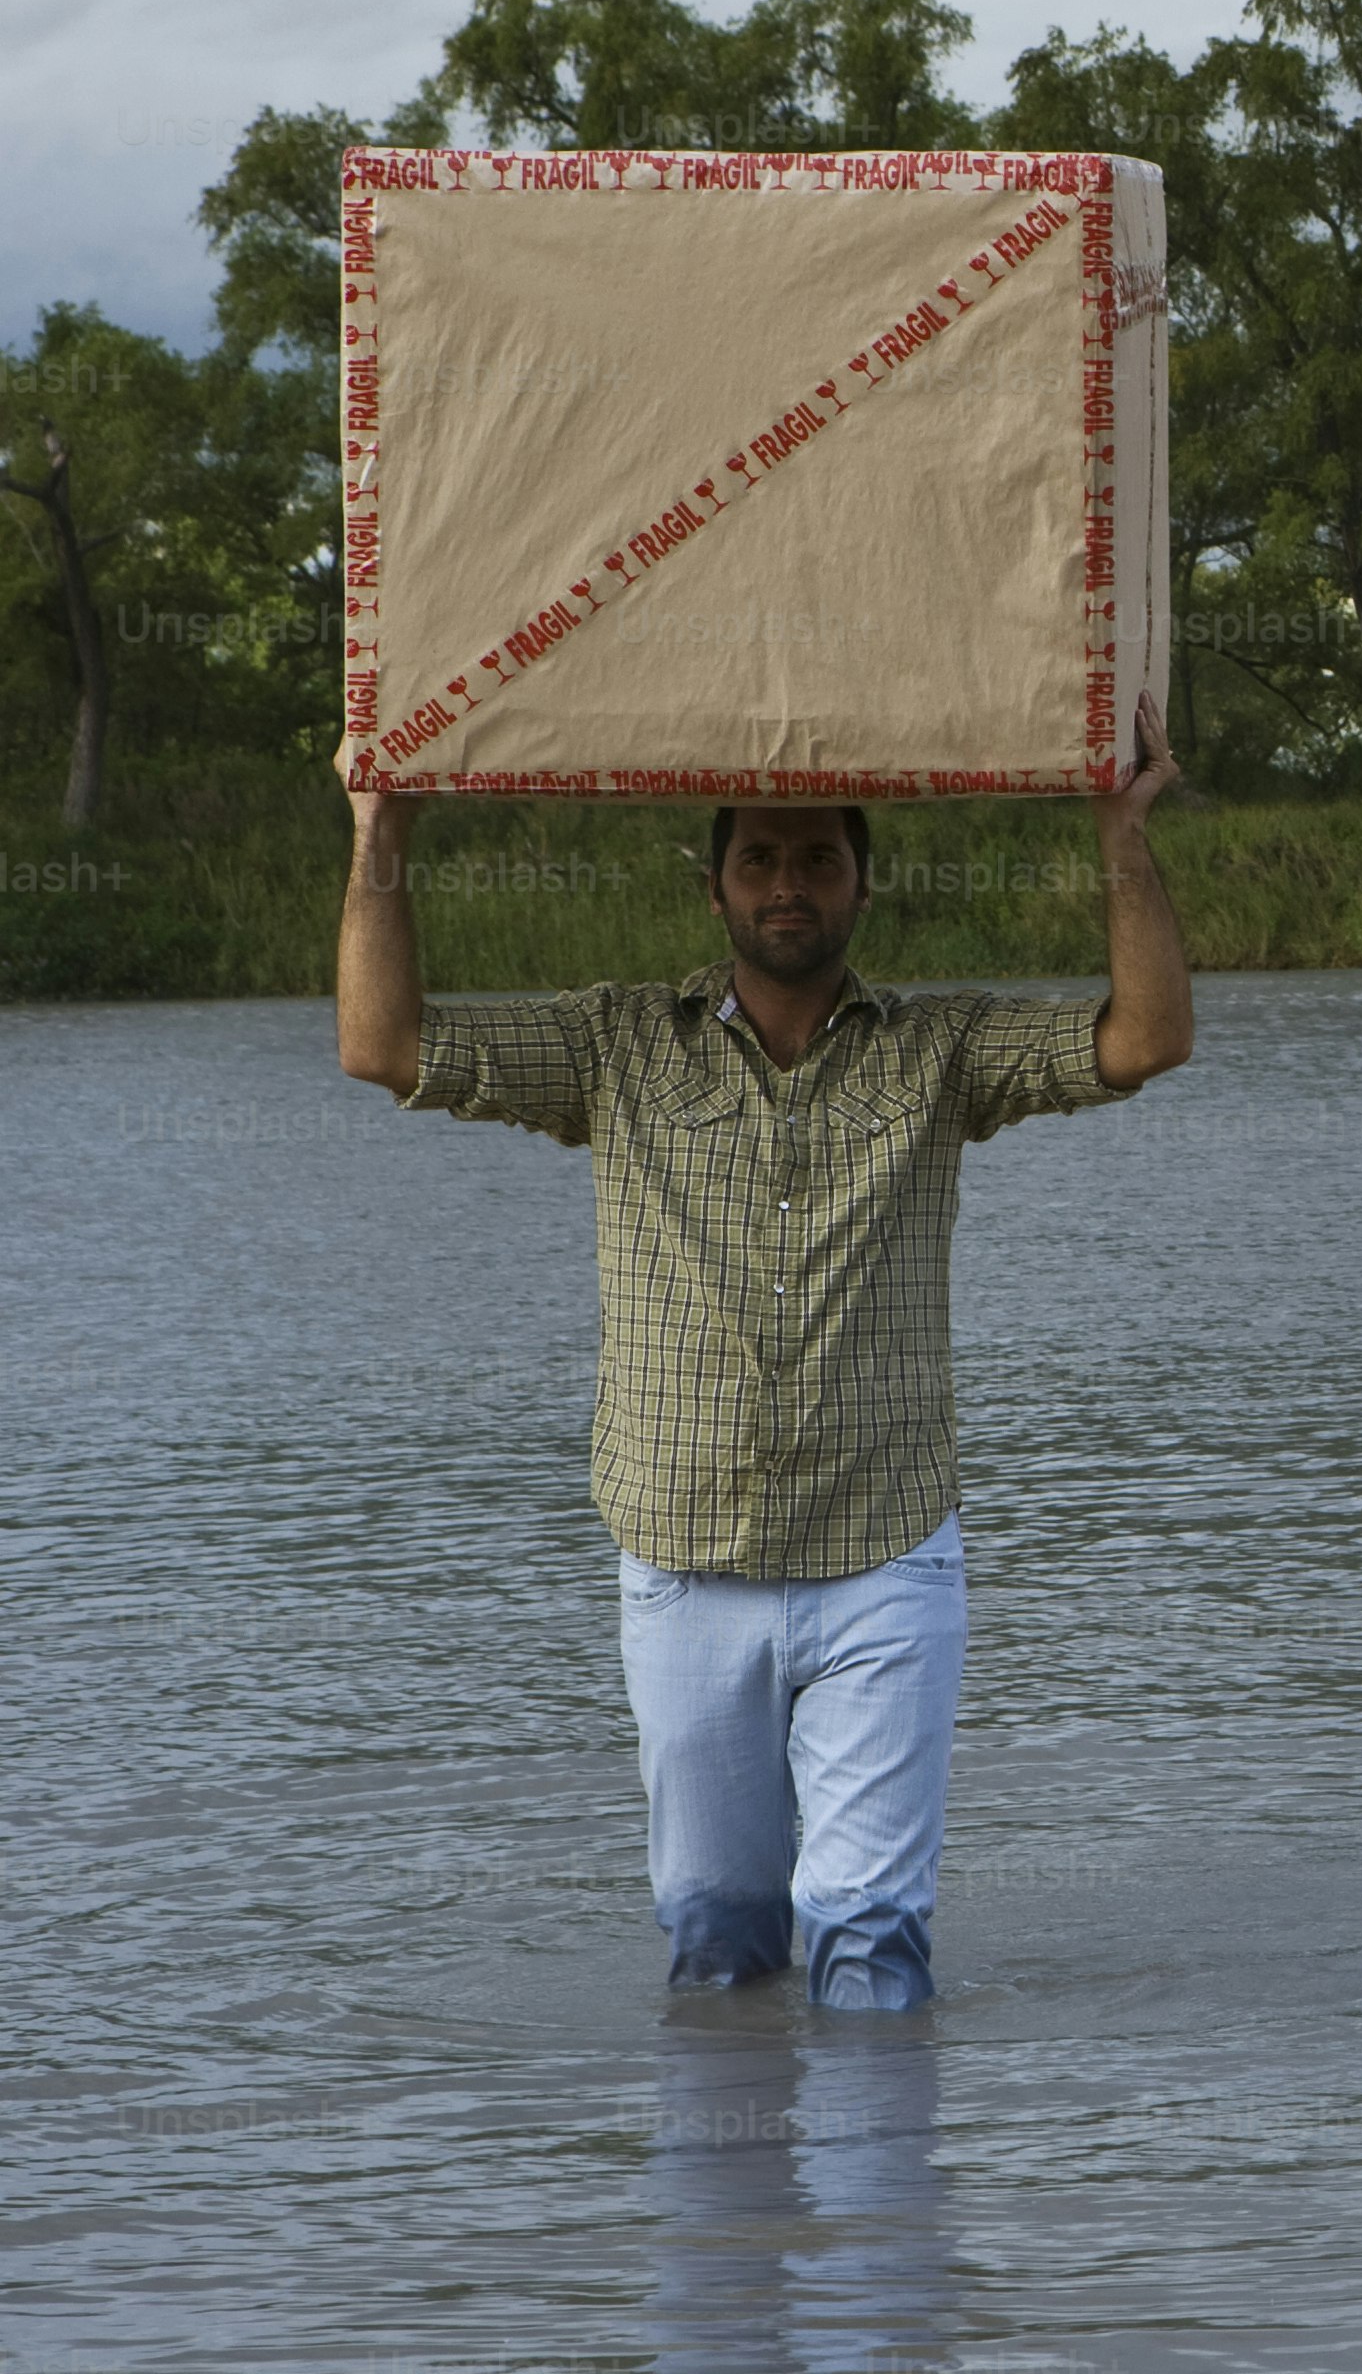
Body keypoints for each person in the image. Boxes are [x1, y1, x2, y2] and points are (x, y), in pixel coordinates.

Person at [333, 703, 1193, 2011]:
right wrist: (381, 828)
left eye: (817, 860)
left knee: (871, 1945)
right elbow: (382, 1046)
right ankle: (731, 2211)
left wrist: (1120, 832)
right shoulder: (616, 1047)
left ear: (861, 882)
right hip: (684, 1565)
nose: (788, 884)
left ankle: (877, 2209)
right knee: (720, 1948)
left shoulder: (938, 1052)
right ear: (719, 884)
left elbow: (1144, 1041)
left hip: (886, 1561)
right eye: (760, 860)